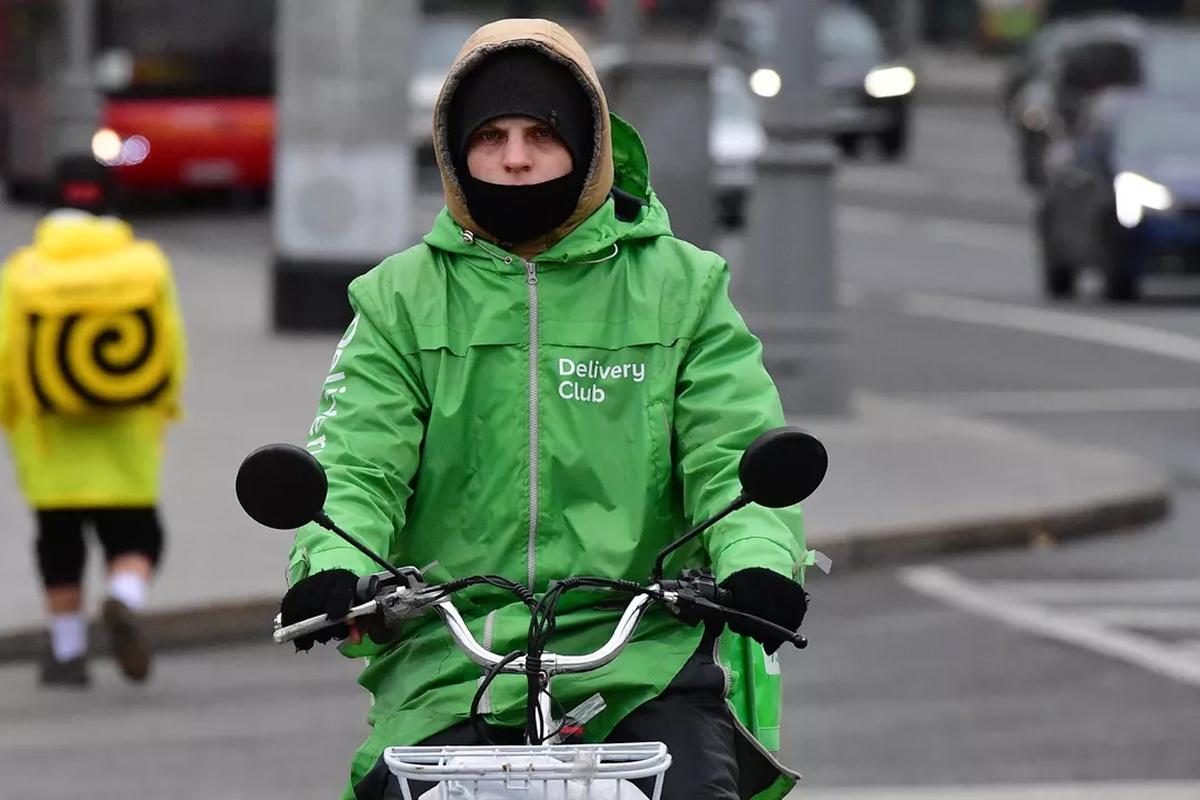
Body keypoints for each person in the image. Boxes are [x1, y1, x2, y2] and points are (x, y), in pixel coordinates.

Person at [280, 18, 813, 800]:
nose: (517, 158)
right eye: (491, 135)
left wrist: (757, 557)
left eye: (542, 133)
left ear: (589, 144)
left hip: (642, 663)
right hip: (448, 665)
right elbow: (357, 461)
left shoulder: (684, 287)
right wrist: (335, 566)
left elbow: (732, 452)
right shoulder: (398, 299)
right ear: (455, 149)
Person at [0, 210, 187, 687]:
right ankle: (123, 595)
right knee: (137, 538)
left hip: (50, 440)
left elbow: (6, 351)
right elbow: (170, 344)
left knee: (58, 546)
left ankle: (66, 654)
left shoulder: (24, 271)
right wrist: (164, 407)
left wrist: (11, 416)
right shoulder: (145, 265)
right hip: (126, 437)